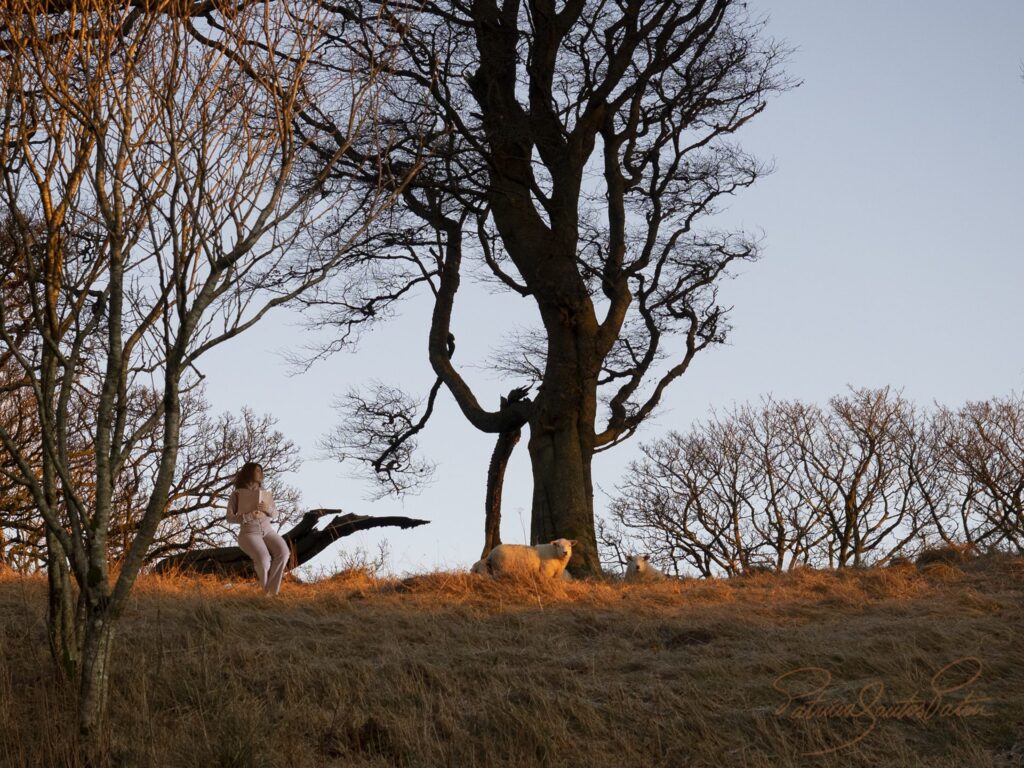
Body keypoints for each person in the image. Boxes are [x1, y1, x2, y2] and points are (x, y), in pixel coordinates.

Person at [226, 462, 290, 595]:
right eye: (258, 471)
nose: (261, 473)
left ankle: (271, 593)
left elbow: (276, 514)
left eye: (261, 471)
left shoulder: (265, 494)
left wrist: (268, 509)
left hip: (268, 531)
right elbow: (229, 518)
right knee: (264, 560)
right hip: (249, 533)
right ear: (249, 472)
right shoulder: (237, 494)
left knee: (284, 553)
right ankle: (267, 593)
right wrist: (248, 516)